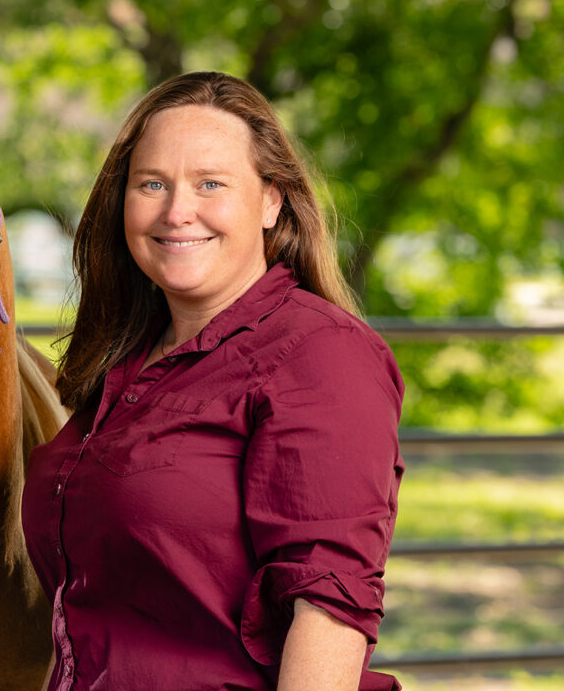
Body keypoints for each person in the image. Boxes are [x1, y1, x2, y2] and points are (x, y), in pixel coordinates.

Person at [21, 71, 404, 691]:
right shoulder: (128, 367)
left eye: (210, 184)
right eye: (152, 184)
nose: (177, 211)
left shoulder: (320, 354)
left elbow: (328, 610)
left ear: (272, 201)